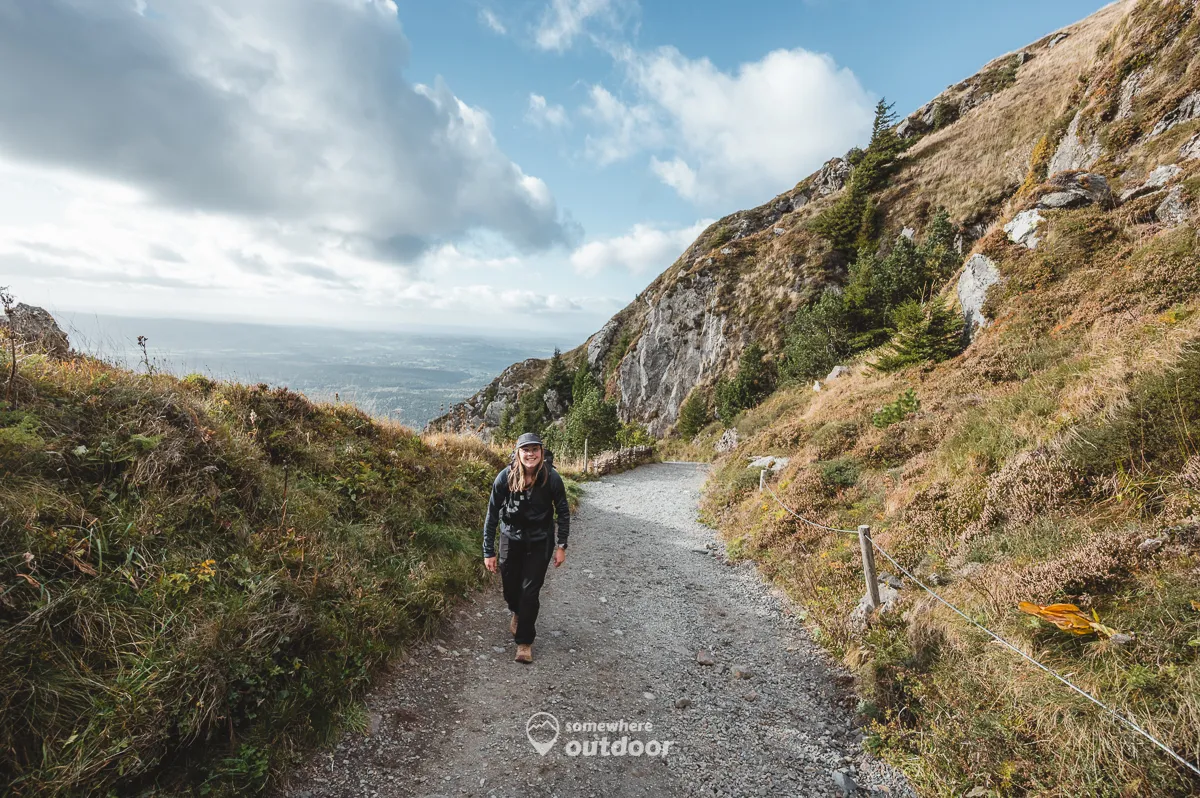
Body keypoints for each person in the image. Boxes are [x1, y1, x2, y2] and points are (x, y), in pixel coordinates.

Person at [482, 432, 569, 664]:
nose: (530, 454)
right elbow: (492, 514)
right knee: (511, 588)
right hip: (511, 537)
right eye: (525, 449)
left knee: (530, 591)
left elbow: (563, 511)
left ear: (541, 452)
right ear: (518, 453)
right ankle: (517, 612)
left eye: (535, 449)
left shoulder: (551, 477)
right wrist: (487, 551)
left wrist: (561, 545)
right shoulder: (505, 477)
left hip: (541, 540)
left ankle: (524, 643)